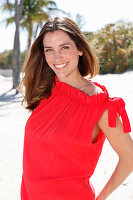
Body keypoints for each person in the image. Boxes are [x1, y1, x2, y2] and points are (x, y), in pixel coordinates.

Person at [19, 16, 133, 200]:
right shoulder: (48, 90)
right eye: (50, 50)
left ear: (79, 48)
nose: (57, 57)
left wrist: (100, 198)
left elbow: (130, 157)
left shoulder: (99, 105)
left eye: (64, 47)